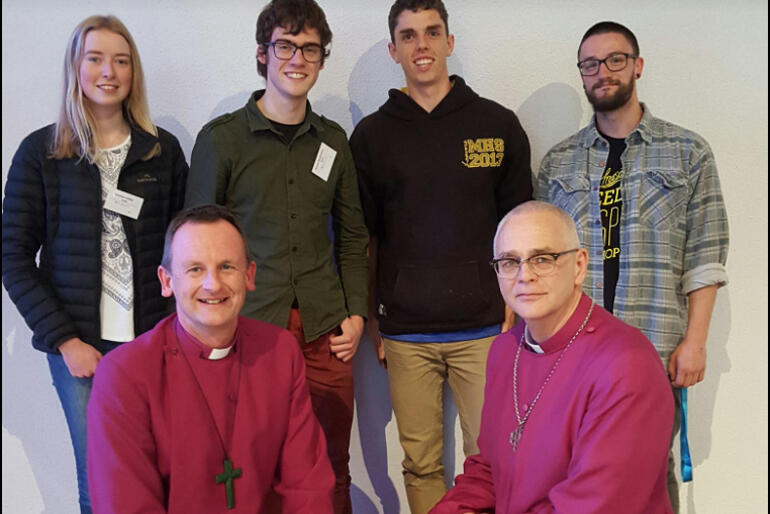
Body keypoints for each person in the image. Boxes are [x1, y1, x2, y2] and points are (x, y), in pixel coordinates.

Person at [536, 21, 729, 511]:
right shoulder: (559, 164)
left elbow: (705, 256)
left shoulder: (688, 153)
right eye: (590, 64)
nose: (603, 72)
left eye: (615, 59)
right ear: (582, 75)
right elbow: (540, 263)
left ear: (637, 66)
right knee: (574, 468)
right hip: (574, 351)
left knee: (647, 470)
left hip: (654, 345)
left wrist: (696, 342)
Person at [348, 1, 532, 512]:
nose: (421, 45)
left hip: (485, 330)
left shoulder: (497, 124)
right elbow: (365, 236)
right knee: (422, 464)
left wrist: (515, 309)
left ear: (450, 42)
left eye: (432, 33)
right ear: (394, 50)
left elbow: (520, 228)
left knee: (491, 460)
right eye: (408, 36)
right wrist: (375, 320)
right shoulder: (372, 137)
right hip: (406, 333)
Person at [184, 1, 368, 511]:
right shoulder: (222, 140)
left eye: (310, 48)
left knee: (331, 467)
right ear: (263, 54)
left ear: (321, 59)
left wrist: (355, 313)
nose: (297, 58)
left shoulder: (333, 142)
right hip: (249, 330)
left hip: (325, 332)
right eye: (286, 46)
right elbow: (195, 245)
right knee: (252, 469)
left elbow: (353, 235)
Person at [1, 15, 188, 514]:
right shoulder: (42, 153)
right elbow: (13, 255)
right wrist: (65, 341)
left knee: (164, 476)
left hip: (154, 344)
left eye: (121, 61)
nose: (110, 71)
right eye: (96, 58)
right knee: (102, 487)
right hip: (81, 351)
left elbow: (186, 249)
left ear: (134, 73)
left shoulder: (162, 152)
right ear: (76, 68)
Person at [86, 204, 335, 513]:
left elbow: (307, 485)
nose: (213, 284)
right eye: (195, 269)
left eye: (227, 267)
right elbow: (125, 504)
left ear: (249, 275)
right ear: (167, 281)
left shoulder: (280, 352)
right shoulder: (124, 374)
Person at [431, 201, 674, 513]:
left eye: (542, 259)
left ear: (580, 265)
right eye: (509, 261)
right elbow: (489, 471)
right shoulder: (505, 350)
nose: (525, 275)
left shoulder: (627, 364)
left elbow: (596, 506)